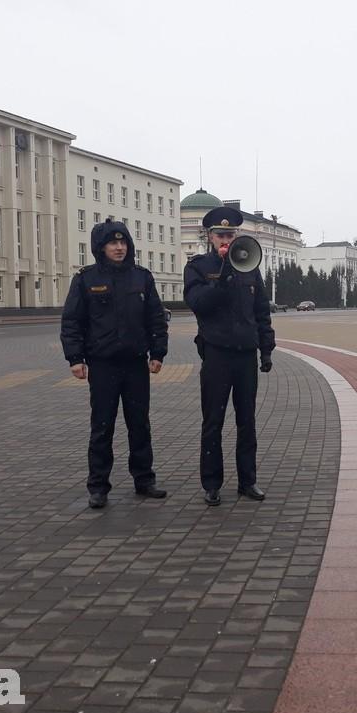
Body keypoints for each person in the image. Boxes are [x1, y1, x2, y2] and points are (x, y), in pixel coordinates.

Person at [61, 218, 169, 509]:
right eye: (113, 243)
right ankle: (98, 486)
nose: (119, 248)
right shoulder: (86, 279)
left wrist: (158, 353)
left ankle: (144, 480)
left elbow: (155, 318)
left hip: (135, 364)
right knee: (102, 427)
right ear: (101, 247)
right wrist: (75, 358)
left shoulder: (141, 277)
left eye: (123, 242)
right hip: (103, 365)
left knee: (139, 425)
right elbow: (72, 322)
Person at [184, 206, 275, 506]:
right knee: (213, 421)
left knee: (247, 421)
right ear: (209, 237)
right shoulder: (198, 268)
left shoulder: (249, 265)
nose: (226, 240)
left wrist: (266, 349)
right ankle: (212, 483)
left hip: (245, 355)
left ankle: (248, 481)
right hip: (216, 354)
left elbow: (261, 312)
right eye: (220, 235)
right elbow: (198, 303)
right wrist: (221, 281)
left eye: (230, 235)